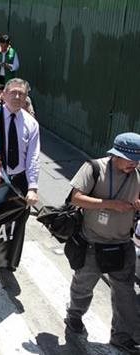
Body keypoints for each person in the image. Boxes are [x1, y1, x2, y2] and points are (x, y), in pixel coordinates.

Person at [65, 132, 140, 354]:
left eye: (137, 160)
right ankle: (74, 315)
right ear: (116, 155)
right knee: (83, 286)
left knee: (125, 293)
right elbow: (75, 198)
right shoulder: (94, 167)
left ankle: (122, 337)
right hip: (92, 244)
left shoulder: (137, 173)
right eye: (130, 159)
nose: (134, 164)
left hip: (123, 244)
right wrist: (110, 204)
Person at [0, 78, 40, 279]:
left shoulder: (31, 123)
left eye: (22, 94)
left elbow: (34, 157)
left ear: (27, 98)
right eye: (14, 92)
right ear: (4, 94)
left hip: (19, 180)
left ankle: (8, 261)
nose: (17, 96)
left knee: (17, 224)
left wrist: (33, 187)